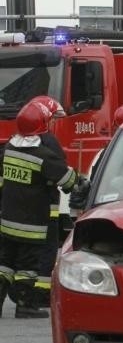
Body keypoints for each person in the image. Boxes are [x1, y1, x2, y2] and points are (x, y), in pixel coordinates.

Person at [0, 101, 80, 318]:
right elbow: (69, 181)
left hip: (7, 221)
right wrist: (82, 181)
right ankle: (25, 305)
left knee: (5, 264)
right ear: (43, 124)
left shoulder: (8, 149)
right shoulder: (43, 155)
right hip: (32, 224)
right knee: (28, 265)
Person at [28, 96, 68, 285]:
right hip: (46, 210)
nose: (53, 122)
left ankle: (24, 295)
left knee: (24, 255)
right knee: (47, 250)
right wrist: (78, 183)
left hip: (20, 211)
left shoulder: (15, 142)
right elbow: (61, 173)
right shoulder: (49, 142)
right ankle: (40, 294)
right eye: (51, 118)